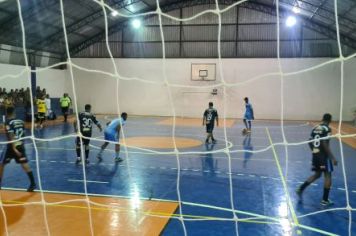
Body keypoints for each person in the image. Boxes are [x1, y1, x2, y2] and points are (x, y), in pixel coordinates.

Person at [296, 113, 338, 206]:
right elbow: (324, 143)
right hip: (324, 157)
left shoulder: (315, 128)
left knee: (317, 174)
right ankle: (325, 200)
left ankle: (301, 188)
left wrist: (315, 152)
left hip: (316, 156)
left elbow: (309, 141)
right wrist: (332, 157)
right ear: (330, 120)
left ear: (322, 119)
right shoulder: (327, 129)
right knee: (328, 175)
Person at [0, 107, 36, 192]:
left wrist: (14, 148)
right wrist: (21, 144)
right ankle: (33, 183)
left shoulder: (8, 122)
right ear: (14, 112)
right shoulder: (21, 121)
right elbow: (23, 133)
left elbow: (11, 135)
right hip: (20, 146)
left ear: (6, 113)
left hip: (11, 147)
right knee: (24, 164)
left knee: (1, 164)